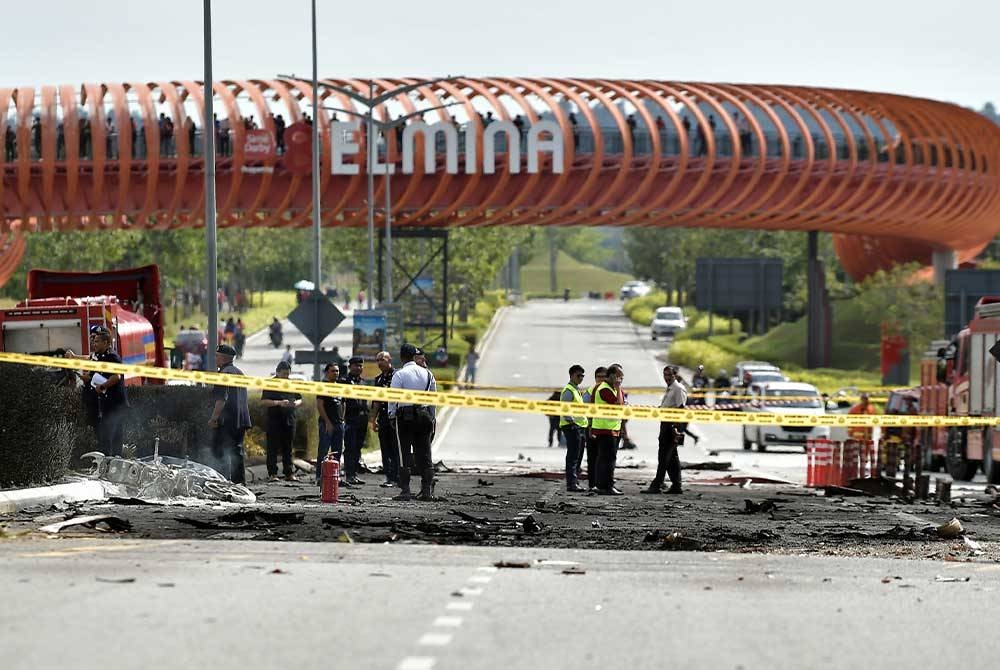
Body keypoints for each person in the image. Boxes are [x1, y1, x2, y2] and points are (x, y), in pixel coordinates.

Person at [64, 325, 129, 457]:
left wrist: (103, 386)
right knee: (104, 436)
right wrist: (77, 367)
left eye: (97, 341)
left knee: (114, 436)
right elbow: (89, 361)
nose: (94, 343)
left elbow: (116, 376)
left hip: (116, 404)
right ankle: (106, 463)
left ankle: (115, 463)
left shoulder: (112, 357)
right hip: (105, 404)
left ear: (106, 342)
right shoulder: (98, 356)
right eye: (93, 341)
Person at [390, 343, 437, 501]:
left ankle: (406, 490)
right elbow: (433, 399)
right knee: (425, 453)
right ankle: (426, 491)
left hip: (405, 417)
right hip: (424, 416)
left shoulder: (400, 374)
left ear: (402, 357)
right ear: (415, 356)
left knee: (404, 453)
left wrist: (391, 415)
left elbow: (392, 398)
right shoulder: (428, 374)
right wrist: (432, 418)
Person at [207, 344, 251, 483]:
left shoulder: (224, 375)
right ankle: (240, 483)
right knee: (236, 452)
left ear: (224, 358)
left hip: (228, 420)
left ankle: (222, 482)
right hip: (241, 419)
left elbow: (221, 399)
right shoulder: (239, 372)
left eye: (217, 356)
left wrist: (213, 418)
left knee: (219, 451)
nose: (215, 358)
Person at [644, 365, 687, 494]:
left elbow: (681, 409)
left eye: (670, 375)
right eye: (665, 375)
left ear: (675, 375)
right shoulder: (670, 388)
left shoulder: (678, 389)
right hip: (665, 424)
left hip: (672, 426)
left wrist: (676, 428)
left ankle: (657, 484)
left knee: (664, 456)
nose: (667, 378)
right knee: (672, 457)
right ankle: (676, 485)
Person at [261, 361, 302, 481]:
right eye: (283, 374)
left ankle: (289, 472)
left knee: (288, 447)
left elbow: (300, 399)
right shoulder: (270, 383)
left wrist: (295, 403)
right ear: (277, 372)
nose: (285, 377)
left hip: (289, 419)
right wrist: (278, 403)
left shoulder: (291, 383)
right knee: (272, 447)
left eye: (287, 374)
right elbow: (263, 401)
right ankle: (272, 473)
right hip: (275, 420)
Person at [592, 363, 625, 495]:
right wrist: (618, 388)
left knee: (605, 458)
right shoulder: (604, 389)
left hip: (611, 428)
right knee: (609, 459)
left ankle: (602, 485)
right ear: (612, 376)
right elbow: (619, 404)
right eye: (619, 377)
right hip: (605, 429)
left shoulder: (613, 388)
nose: (621, 380)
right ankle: (607, 486)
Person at [369, 351, 400, 488]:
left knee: (395, 448)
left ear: (389, 359)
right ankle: (389, 477)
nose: (380, 362)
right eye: (377, 360)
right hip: (383, 419)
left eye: (382, 359)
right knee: (385, 449)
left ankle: (398, 476)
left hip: (395, 418)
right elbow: (376, 401)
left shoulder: (398, 376)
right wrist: (373, 419)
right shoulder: (379, 379)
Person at [340, 356, 370, 486]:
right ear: (350, 367)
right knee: (350, 448)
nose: (358, 368)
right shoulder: (344, 381)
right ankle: (349, 474)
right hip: (350, 419)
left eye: (360, 366)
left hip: (362, 419)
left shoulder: (363, 382)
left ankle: (354, 474)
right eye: (356, 365)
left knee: (358, 447)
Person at [315, 363, 345, 487]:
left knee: (337, 452)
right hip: (326, 424)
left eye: (337, 371)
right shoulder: (323, 386)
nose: (336, 373)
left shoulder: (340, 387)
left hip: (339, 424)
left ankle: (334, 477)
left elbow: (343, 403)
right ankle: (319, 477)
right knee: (323, 451)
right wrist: (327, 422)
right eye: (333, 371)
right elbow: (320, 405)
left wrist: (342, 419)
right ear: (327, 372)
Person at [560, 365, 588, 492]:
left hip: (580, 427)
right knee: (573, 456)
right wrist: (572, 423)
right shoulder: (569, 390)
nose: (581, 378)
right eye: (578, 375)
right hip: (572, 427)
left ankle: (574, 481)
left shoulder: (576, 390)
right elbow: (565, 409)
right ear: (571, 375)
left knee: (578, 455)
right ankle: (571, 483)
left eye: (582, 375)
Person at [581, 367, 607, 490]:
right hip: (592, 428)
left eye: (604, 377)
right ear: (595, 378)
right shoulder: (590, 391)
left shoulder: (611, 390)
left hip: (607, 429)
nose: (601, 379)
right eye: (599, 377)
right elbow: (584, 410)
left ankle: (603, 483)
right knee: (592, 457)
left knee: (605, 458)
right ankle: (593, 484)